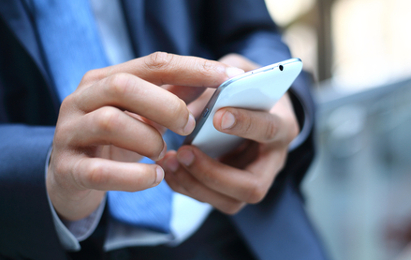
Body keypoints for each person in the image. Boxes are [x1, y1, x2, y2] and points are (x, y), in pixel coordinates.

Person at [0, 0, 328, 259]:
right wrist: (44, 170)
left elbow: (254, 31)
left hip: (245, 228)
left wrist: (281, 101)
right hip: (45, 237)